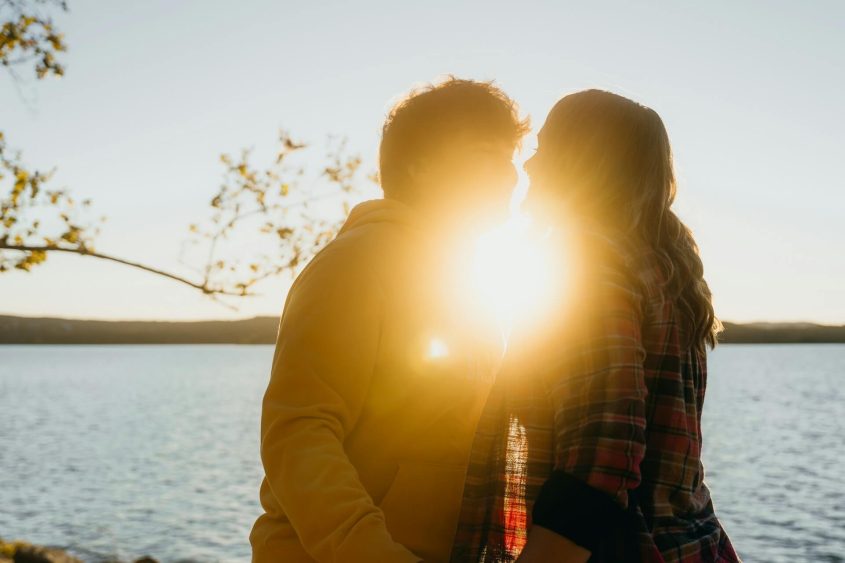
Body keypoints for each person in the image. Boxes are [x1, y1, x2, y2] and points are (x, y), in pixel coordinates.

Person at [452, 90, 740, 562]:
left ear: (582, 161)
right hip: (693, 546)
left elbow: (601, 461)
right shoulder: (664, 269)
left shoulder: (590, 267)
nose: (530, 167)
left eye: (545, 150)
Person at [249, 77, 529, 563]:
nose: (510, 177)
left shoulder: (469, 283)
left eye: (511, 160)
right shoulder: (355, 263)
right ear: (420, 166)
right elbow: (298, 432)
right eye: (488, 155)